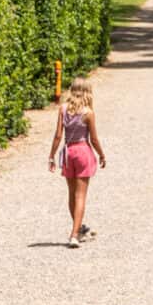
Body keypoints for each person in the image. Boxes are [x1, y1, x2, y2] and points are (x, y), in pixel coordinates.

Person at [48, 75, 106, 248]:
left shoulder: (63, 109)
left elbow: (58, 135)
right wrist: (102, 155)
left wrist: (51, 156)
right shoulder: (88, 113)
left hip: (68, 152)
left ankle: (79, 228)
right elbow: (94, 139)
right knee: (81, 195)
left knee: (72, 194)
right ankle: (74, 235)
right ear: (87, 92)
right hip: (83, 151)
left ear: (72, 90)